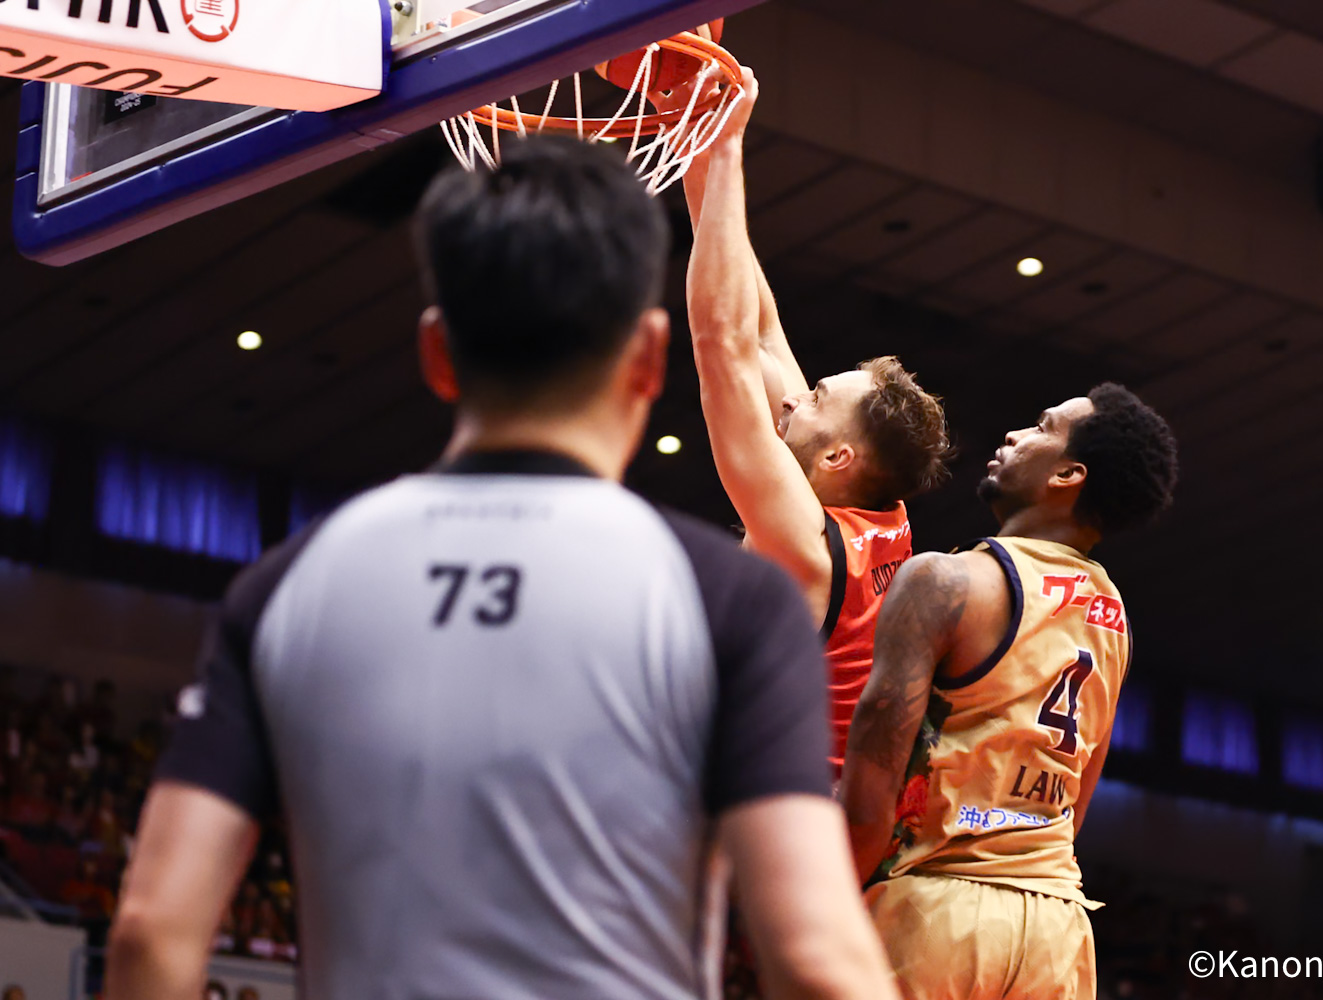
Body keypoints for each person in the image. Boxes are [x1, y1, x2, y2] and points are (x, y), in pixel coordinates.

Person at [104, 137, 894, 1000]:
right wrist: (720, 150)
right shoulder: (726, 597)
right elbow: (816, 961)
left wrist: (721, 153)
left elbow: (150, 932)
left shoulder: (289, 582)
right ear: (649, 357)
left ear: (437, 351)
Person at [842, 384, 1179, 1000]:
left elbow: (870, 794)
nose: (1015, 435)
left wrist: (821, 910)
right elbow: (1076, 803)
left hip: (936, 908)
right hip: (1058, 926)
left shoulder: (945, 581)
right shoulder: (1114, 618)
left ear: (1067, 475)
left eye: (1041, 428)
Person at [679, 68, 952, 774]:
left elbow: (721, 345)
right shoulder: (870, 504)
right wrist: (698, 136)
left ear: (838, 458)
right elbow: (758, 333)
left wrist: (729, 146)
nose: (793, 398)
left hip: (787, 805)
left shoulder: (808, 544)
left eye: (814, 399)